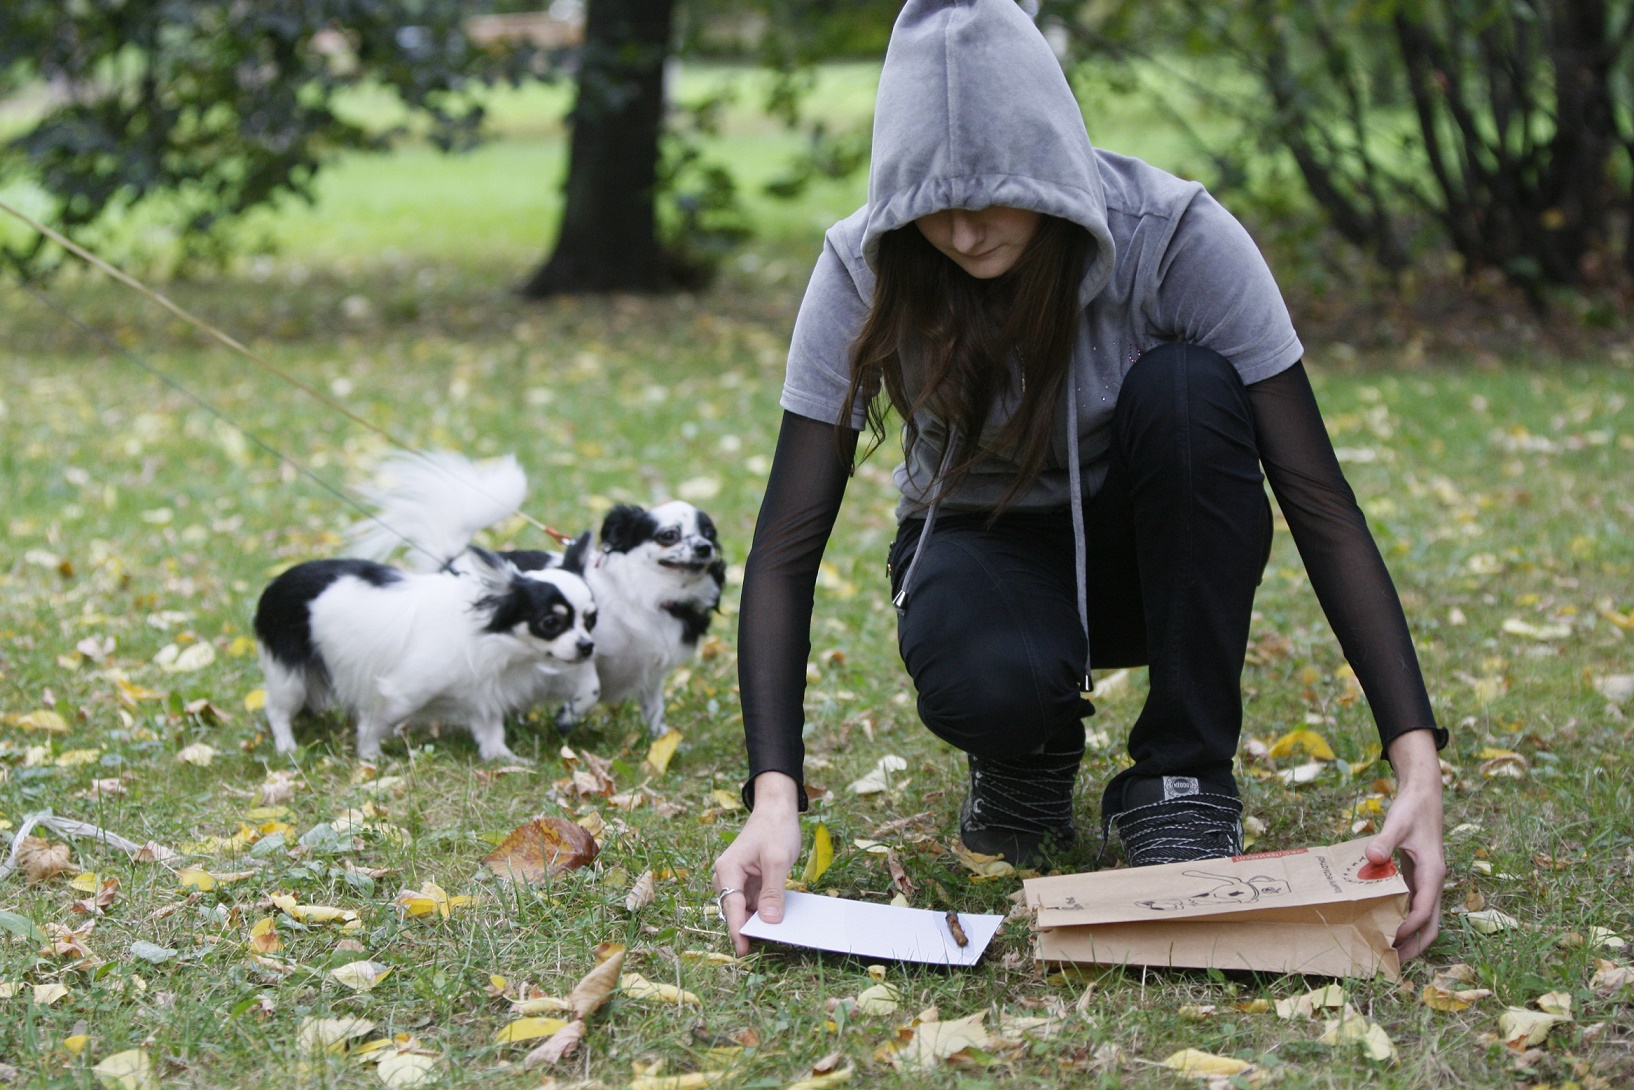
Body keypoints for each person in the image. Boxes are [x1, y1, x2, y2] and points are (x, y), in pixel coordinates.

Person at [712, 0, 1446, 961]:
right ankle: (1026, 756)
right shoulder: (869, 264)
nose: (965, 234)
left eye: (993, 198)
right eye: (933, 206)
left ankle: (1180, 780)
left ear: (1054, 168)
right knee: (990, 680)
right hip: (984, 547)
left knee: (1188, 387)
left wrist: (1417, 767)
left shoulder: (1174, 236)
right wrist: (775, 795)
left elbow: (1317, 498)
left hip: (1153, 555)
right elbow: (787, 542)